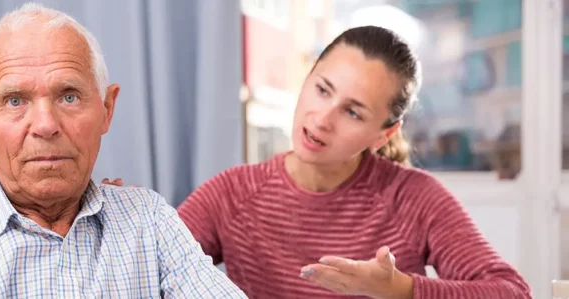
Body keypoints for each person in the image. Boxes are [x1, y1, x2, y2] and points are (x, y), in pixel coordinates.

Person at [106, 26, 531, 298]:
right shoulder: (232, 194)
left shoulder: (415, 199)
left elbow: (512, 292)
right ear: (306, 79)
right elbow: (153, 273)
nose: (322, 118)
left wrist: (401, 289)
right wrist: (126, 228)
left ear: (384, 133)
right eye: (322, 89)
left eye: (353, 112)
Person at [0, 3, 246, 298]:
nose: (45, 125)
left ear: (107, 109)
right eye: (15, 100)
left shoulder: (149, 221)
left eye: (69, 96)